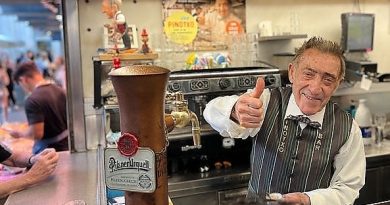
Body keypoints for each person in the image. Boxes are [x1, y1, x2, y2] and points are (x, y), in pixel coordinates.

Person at [203, 37, 365, 205]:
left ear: (337, 84)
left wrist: (308, 200)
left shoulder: (348, 128)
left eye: (328, 79)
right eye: (308, 74)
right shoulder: (265, 102)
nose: (315, 88)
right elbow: (210, 111)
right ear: (292, 72)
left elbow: (347, 188)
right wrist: (235, 110)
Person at [9, 61, 68, 154]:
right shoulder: (59, 90)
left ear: (23, 80)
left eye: (20, 85)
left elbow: (36, 134)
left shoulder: (32, 100)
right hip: (67, 146)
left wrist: (20, 134)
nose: (23, 88)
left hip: (49, 152)